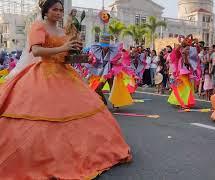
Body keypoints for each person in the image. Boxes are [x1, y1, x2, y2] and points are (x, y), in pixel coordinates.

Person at [0, 0, 131, 178]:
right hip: (43, 74)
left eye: (61, 10)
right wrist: (63, 47)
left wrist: (79, 56)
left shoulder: (62, 31)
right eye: (55, 9)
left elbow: (63, 56)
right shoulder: (38, 26)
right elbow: (37, 51)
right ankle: (47, 158)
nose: (59, 13)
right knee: (42, 117)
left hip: (65, 73)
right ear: (45, 11)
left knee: (84, 109)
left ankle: (82, 153)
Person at [168, 35, 201, 108]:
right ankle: (181, 102)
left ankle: (180, 102)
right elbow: (177, 56)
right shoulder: (180, 52)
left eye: (188, 49)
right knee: (184, 87)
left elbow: (196, 52)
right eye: (187, 48)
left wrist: (197, 44)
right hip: (182, 72)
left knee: (185, 87)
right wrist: (184, 54)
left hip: (187, 72)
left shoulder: (190, 53)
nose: (188, 50)